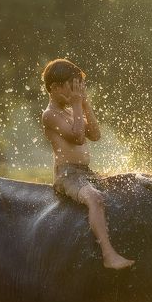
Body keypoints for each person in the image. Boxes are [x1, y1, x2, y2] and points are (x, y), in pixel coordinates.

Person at [41, 58, 134, 270]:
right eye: (71, 87)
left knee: (122, 189)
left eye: (79, 88)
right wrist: (76, 104)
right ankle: (108, 255)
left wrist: (84, 102)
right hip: (68, 176)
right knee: (95, 198)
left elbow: (95, 134)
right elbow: (78, 138)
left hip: (85, 172)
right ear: (54, 88)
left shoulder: (71, 110)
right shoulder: (50, 115)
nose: (75, 92)